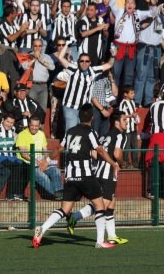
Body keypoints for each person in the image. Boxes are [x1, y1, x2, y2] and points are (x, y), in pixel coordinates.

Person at [32, 103, 119, 249]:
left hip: (71, 176)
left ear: (79, 117)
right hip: (86, 175)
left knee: (64, 209)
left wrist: (46, 160)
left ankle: (42, 229)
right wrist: (113, 163)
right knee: (100, 206)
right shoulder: (91, 132)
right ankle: (99, 241)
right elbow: (101, 151)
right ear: (92, 117)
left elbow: (59, 148)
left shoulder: (70, 131)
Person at [67, 110, 129, 245]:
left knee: (111, 203)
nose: (127, 122)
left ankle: (112, 235)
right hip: (108, 174)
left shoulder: (104, 136)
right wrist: (123, 164)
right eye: (124, 120)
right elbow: (117, 154)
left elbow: (94, 154)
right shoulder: (120, 136)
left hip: (99, 171)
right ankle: (74, 217)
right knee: (102, 204)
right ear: (116, 122)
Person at [58, 47, 113, 133]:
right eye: (82, 61)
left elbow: (109, 65)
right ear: (78, 62)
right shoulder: (74, 69)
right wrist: (67, 44)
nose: (84, 63)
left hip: (83, 109)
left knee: (82, 133)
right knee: (71, 132)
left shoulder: (93, 71)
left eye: (87, 61)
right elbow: (60, 58)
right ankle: (68, 146)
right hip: (70, 106)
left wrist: (113, 55)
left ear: (90, 63)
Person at [16, 116, 62, 200]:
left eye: (36, 126)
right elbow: (23, 154)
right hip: (29, 164)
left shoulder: (41, 134)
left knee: (56, 171)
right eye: (32, 125)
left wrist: (45, 161)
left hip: (41, 163)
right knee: (44, 177)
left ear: (39, 125)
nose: (34, 128)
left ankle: (59, 193)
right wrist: (37, 161)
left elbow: (45, 150)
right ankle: (56, 195)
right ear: (29, 125)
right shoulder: (22, 135)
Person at [23, 38, 54, 109]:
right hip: (32, 86)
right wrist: (34, 58)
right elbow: (24, 66)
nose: (37, 48)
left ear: (42, 47)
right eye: (35, 46)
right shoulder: (28, 56)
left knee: (42, 110)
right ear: (32, 47)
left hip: (44, 86)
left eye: (40, 46)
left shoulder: (46, 57)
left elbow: (52, 68)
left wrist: (41, 60)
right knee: (31, 109)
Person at [76, 2, 107, 67]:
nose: (89, 12)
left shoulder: (100, 20)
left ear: (96, 11)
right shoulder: (84, 20)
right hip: (85, 54)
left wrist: (105, 29)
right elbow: (83, 34)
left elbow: (106, 35)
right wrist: (97, 28)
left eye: (91, 10)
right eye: (88, 10)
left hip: (97, 53)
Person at [119, 86, 139, 168]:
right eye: (131, 93)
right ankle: (126, 163)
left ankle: (135, 163)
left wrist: (136, 122)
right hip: (126, 129)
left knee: (135, 146)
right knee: (126, 146)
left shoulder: (132, 102)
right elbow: (121, 116)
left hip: (133, 128)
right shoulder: (123, 103)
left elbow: (134, 114)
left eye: (133, 93)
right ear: (125, 94)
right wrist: (131, 115)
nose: (133, 95)